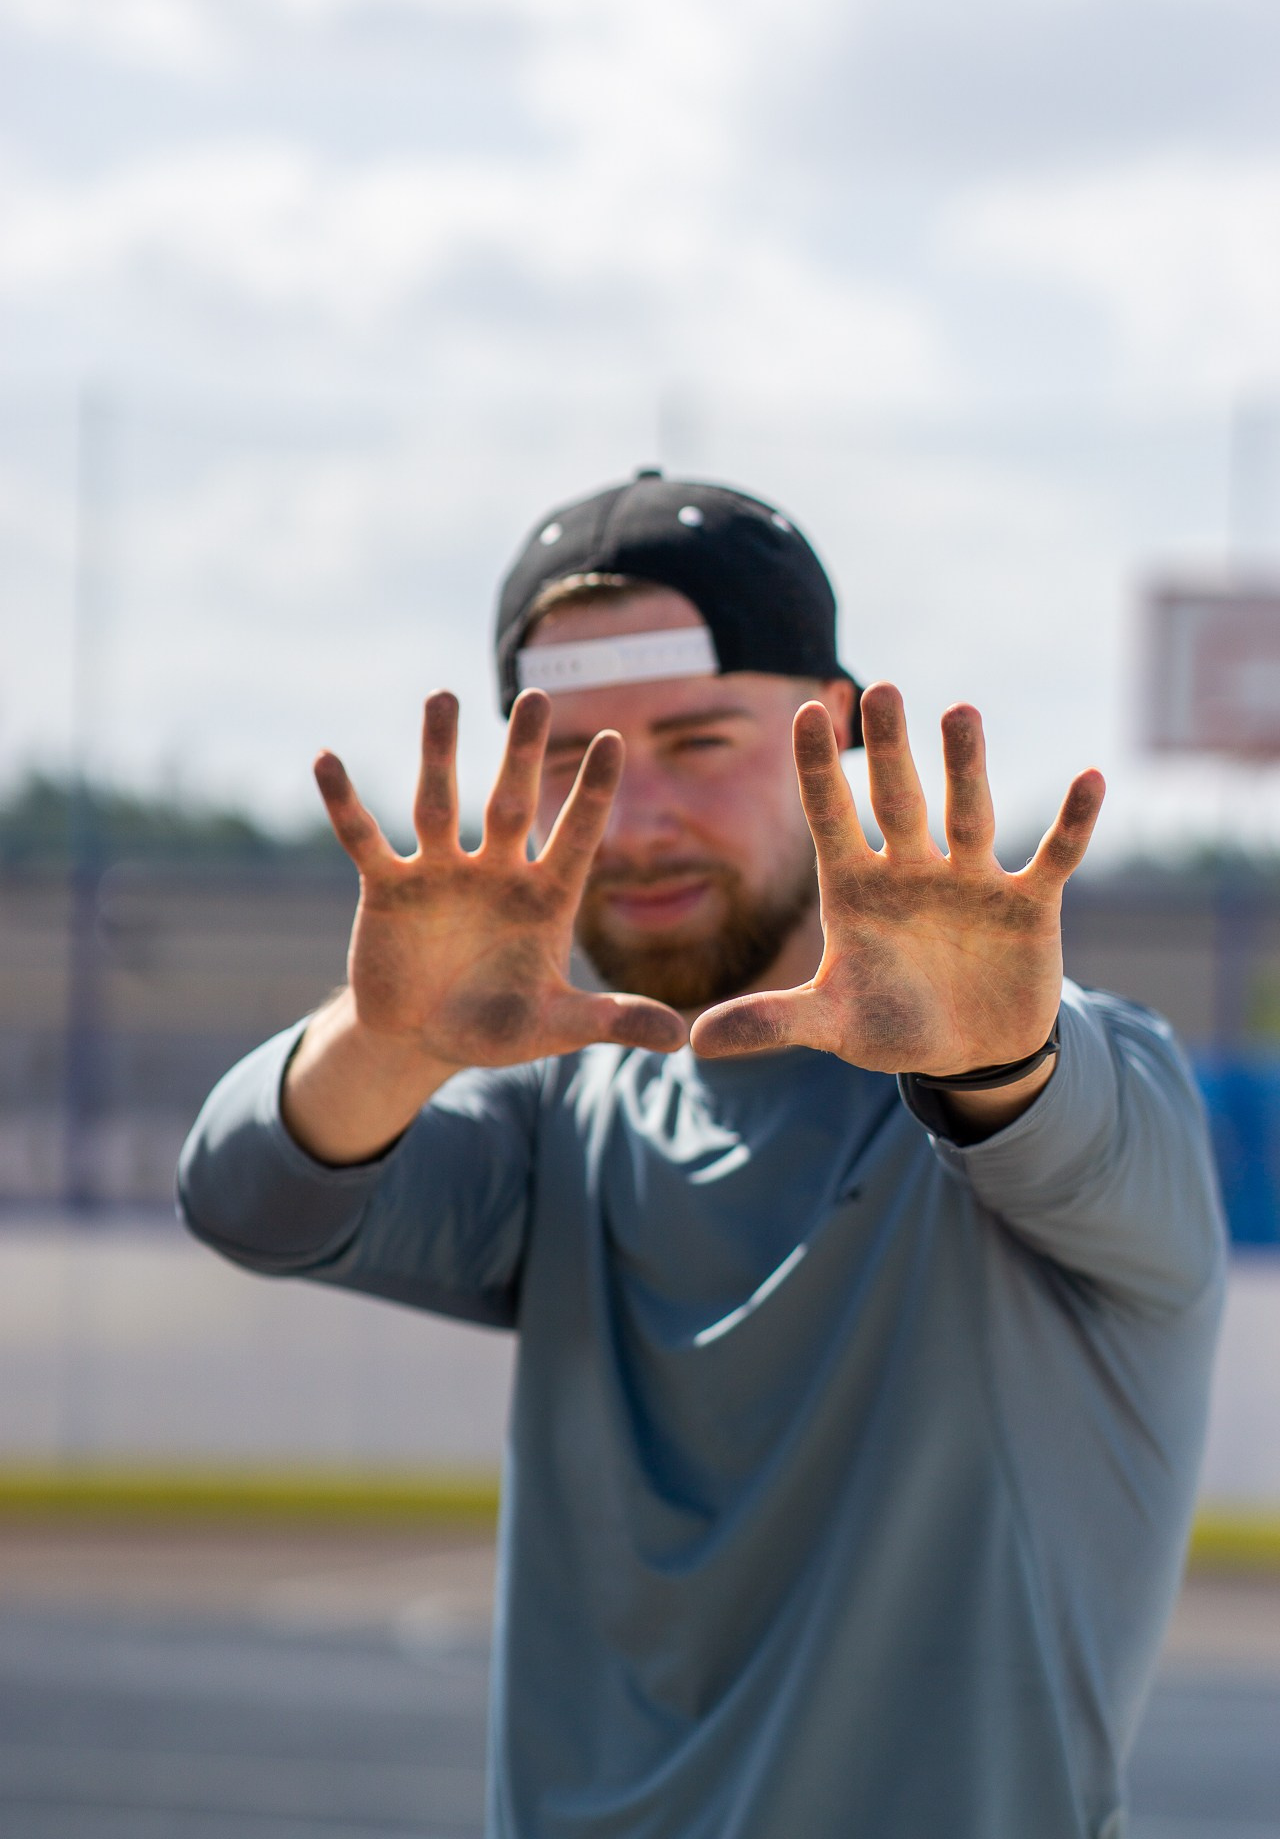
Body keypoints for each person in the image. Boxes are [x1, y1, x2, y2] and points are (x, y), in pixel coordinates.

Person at [178, 468, 1225, 1839]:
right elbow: (247, 1200)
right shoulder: (565, 1120)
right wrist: (391, 1039)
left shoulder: (1085, 1084)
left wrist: (992, 1056)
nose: (637, 818)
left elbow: (1063, 1127)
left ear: (833, 733)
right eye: (573, 761)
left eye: (701, 740)